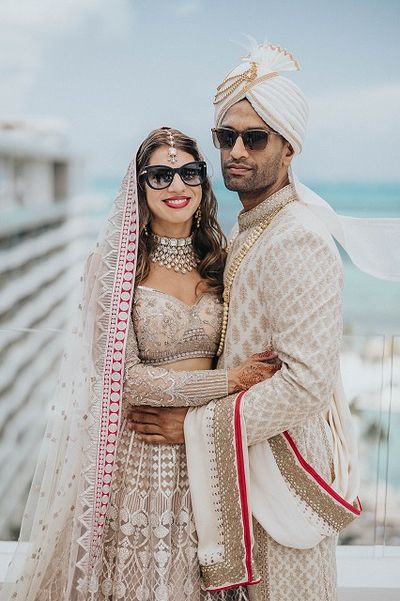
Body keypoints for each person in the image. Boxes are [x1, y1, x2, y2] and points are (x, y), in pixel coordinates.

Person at [127, 41, 400, 601]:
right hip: (242, 476)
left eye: (255, 138)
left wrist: (192, 428)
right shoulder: (252, 227)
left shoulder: (297, 236)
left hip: (283, 480)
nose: (236, 150)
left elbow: (305, 383)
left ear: (289, 147)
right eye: (226, 137)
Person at [1, 126, 280, 601]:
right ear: (138, 185)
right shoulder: (112, 266)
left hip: (208, 449)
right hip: (141, 455)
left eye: (189, 172)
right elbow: (128, 379)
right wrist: (231, 380)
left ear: (203, 182)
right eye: (161, 175)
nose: (177, 185)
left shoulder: (221, 259)